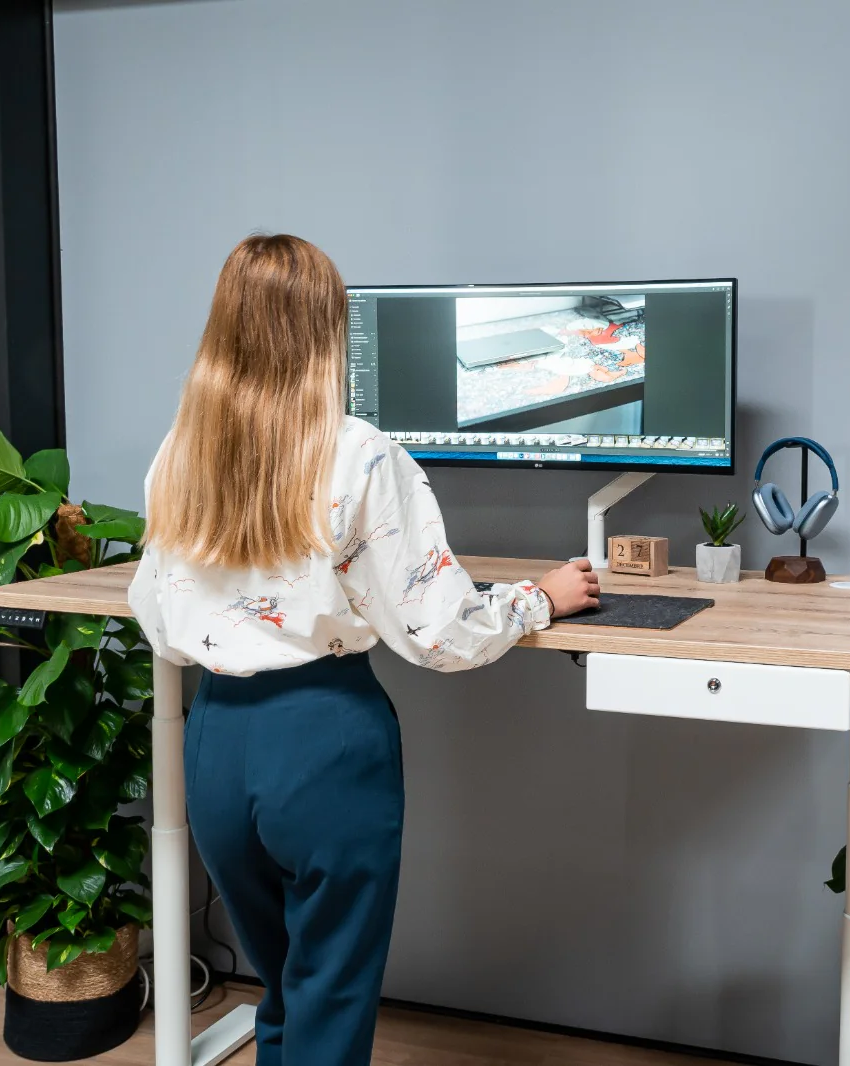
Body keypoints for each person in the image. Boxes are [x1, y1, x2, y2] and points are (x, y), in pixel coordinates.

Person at [127, 234, 598, 1066]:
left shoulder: (181, 451)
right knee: (330, 992)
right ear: (326, 330)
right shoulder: (360, 451)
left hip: (217, 740)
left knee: (283, 986)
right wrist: (538, 599)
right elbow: (440, 632)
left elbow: (156, 615)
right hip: (324, 741)